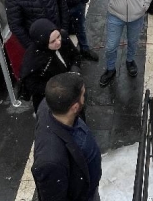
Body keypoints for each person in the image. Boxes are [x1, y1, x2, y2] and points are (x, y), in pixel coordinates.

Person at [32, 72, 102, 201]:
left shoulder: (50, 104)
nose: (85, 98)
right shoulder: (51, 161)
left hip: (87, 187)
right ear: (75, 107)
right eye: (83, 95)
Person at [20, 19, 81, 111]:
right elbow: (32, 86)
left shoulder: (63, 36)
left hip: (69, 88)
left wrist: (74, 69)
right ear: (42, 42)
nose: (58, 42)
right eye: (52, 41)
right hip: (50, 100)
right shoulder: (33, 59)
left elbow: (75, 55)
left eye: (58, 36)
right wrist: (56, 88)